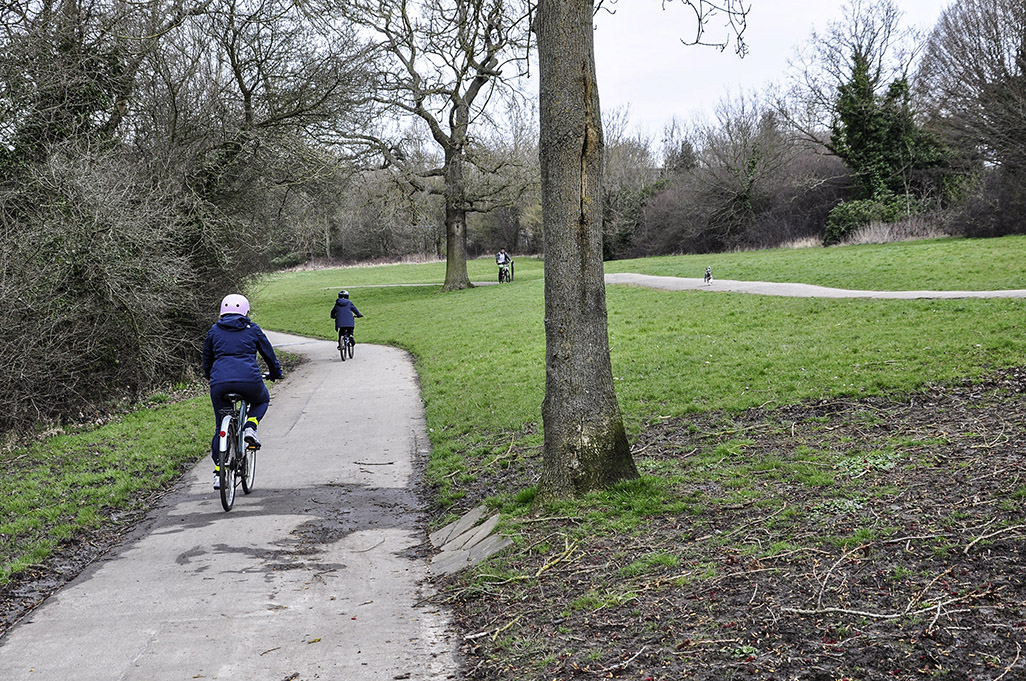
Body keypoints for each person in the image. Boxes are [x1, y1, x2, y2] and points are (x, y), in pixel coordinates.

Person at [202, 294, 282, 489]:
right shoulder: (252, 329)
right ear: (245, 311)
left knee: (221, 422)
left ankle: (218, 471)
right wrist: (275, 373)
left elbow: (207, 359)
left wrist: (209, 376)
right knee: (262, 400)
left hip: (220, 384)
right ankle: (250, 427)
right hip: (250, 382)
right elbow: (268, 354)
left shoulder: (214, 331)